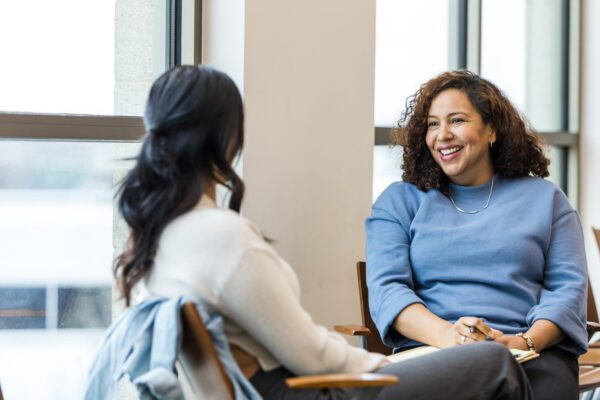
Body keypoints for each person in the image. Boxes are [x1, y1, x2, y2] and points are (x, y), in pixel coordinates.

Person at [113, 65, 532, 399]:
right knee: (495, 364)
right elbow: (310, 354)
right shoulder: (223, 238)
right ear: (227, 138)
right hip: (311, 392)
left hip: (290, 387)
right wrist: (382, 367)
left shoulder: (159, 237)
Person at [366, 70, 588, 399]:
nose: (442, 135)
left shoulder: (547, 200)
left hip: (533, 353)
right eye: (432, 124)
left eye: (456, 120)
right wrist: (449, 336)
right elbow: (388, 291)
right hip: (432, 351)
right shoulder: (399, 202)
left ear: (492, 130)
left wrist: (522, 341)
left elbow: (567, 290)